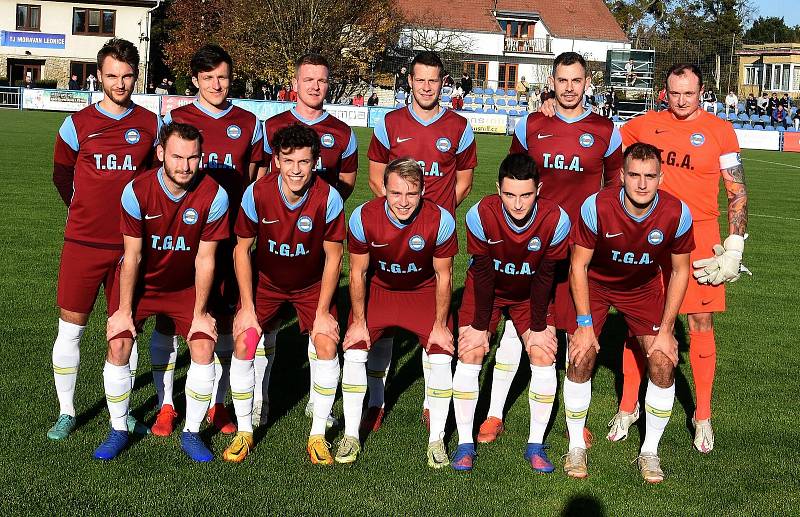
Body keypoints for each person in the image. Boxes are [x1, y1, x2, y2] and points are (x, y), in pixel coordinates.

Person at [480, 51, 621, 446]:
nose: (570, 88)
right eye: (562, 81)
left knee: (580, 334)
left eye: (577, 81)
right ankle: (494, 415)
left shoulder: (607, 131)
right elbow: (512, 178)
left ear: (588, 83)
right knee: (514, 332)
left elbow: (614, 190)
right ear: (552, 82)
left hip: (582, 251)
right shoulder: (530, 125)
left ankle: (576, 418)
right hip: (533, 247)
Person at [617, 63, 749, 453]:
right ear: (665, 92)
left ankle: (702, 414)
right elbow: (604, 142)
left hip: (701, 237)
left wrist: (736, 244)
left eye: (688, 93)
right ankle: (629, 406)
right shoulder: (643, 125)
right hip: (651, 234)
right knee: (638, 321)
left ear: (701, 91)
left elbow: (737, 191)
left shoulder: (720, 131)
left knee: (700, 321)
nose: (680, 100)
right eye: (674, 93)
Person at [93, 121, 229, 461]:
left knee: (202, 345)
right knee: (120, 340)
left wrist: (200, 314)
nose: (185, 166)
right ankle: (118, 427)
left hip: (185, 286)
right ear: (160, 154)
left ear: (201, 157)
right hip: (144, 285)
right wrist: (124, 310)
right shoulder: (136, 191)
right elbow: (133, 255)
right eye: (177, 157)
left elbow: (205, 259)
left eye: (193, 158)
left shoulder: (215, 195)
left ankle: (193, 433)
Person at [49, 37, 160, 441]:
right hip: (82, 243)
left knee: (123, 332)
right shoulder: (76, 123)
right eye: (112, 75)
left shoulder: (150, 125)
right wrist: (82, 211)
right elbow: (62, 174)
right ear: (99, 75)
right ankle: (67, 411)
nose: (120, 83)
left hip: (129, 249)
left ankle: (122, 412)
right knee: (71, 330)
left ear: (136, 76)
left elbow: (153, 181)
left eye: (128, 75)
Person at [566, 142, 694, 483]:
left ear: (660, 178)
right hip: (595, 284)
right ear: (621, 176)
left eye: (650, 176)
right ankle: (576, 445)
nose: (641, 184)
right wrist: (583, 325)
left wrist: (667, 329)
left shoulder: (677, 213)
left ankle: (650, 451)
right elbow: (578, 266)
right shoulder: (596, 206)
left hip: (642, 288)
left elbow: (681, 270)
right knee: (581, 354)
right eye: (634, 175)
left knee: (663, 359)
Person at [365, 50, 476, 431]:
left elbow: (464, 181)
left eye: (433, 80)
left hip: (433, 237)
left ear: (442, 83)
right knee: (383, 313)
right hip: (392, 234)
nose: (426, 86)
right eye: (420, 79)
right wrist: (398, 215)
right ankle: (375, 401)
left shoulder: (459, 127)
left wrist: (438, 217)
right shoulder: (390, 123)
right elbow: (376, 177)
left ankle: (432, 401)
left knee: (435, 317)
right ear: (409, 81)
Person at [157, 44, 264, 436]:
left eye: (222, 76)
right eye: (208, 78)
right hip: (185, 236)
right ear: (195, 80)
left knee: (219, 318)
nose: (216, 84)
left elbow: (252, 175)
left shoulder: (248, 121)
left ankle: (216, 405)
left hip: (231, 236)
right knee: (171, 317)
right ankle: (167, 405)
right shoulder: (177, 118)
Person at [223, 123, 345, 464]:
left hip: (311, 286)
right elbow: (241, 251)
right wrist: (247, 306)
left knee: (325, 342)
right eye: (288, 161)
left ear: (315, 163)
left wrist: (322, 313)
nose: (296, 169)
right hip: (267, 283)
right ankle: (245, 431)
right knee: (245, 340)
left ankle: (318, 435)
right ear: (276, 160)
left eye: (304, 162)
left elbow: (335, 256)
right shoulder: (256, 193)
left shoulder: (329, 198)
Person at [257, 53, 358, 429]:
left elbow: (346, 182)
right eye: (309, 79)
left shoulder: (342, 132)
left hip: (317, 243)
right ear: (295, 83)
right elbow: (260, 179)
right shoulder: (271, 127)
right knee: (260, 327)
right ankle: (257, 404)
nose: (315, 86)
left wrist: (318, 214)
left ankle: (321, 405)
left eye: (322, 80)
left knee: (324, 327)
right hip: (273, 242)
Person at [452, 153, 570, 471]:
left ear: (539, 190)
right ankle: (465, 443)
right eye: (509, 194)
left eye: (526, 195)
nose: (517, 204)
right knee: (472, 350)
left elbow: (547, 275)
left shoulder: (557, 220)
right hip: (487, 291)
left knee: (544, 354)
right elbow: (484, 272)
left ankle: (535, 444)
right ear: (497, 189)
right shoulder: (480, 214)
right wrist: (479, 326)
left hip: (530, 294)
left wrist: (537, 326)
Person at [341, 158, 458, 467]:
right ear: (383, 189)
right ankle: (351, 434)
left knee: (442, 353)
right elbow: (357, 273)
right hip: (380, 292)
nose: (403, 202)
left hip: (422, 294)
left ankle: (437, 439)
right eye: (395, 193)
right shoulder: (363, 217)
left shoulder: (441, 219)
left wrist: (440, 324)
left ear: (423, 190)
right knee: (354, 350)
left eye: (411, 193)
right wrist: (358, 322)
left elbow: (445, 276)